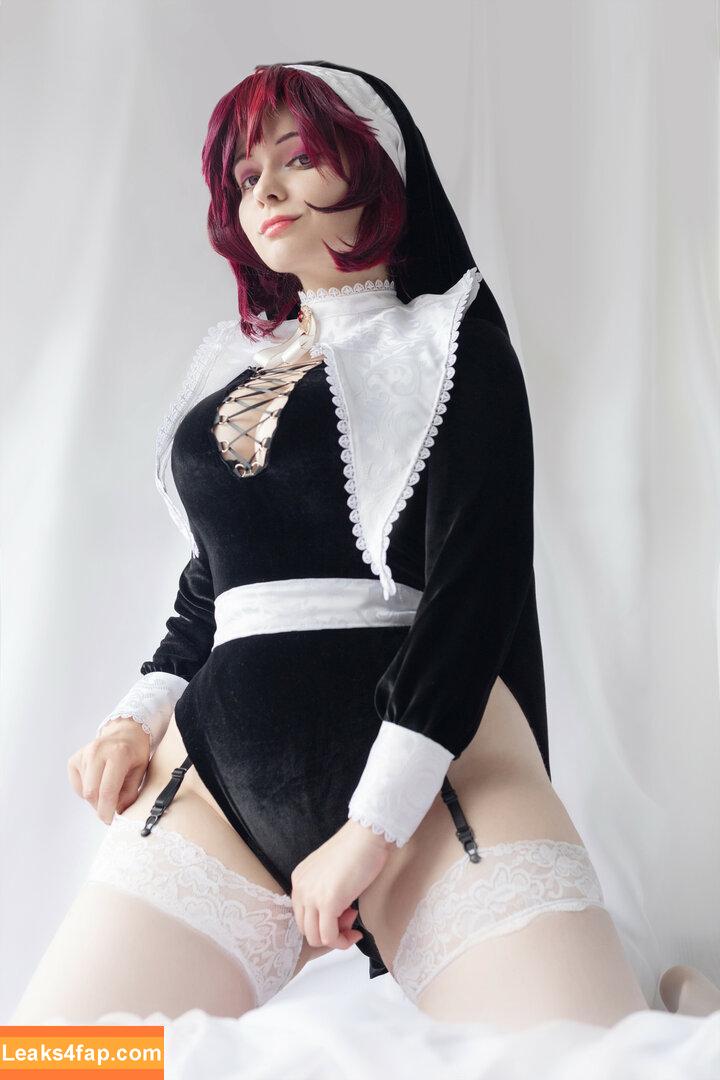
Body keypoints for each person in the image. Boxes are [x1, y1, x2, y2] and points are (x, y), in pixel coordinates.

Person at [11, 61, 714, 1030]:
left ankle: (673, 1005)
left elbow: (476, 593)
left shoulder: (453, 343)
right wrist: (135, 719)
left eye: (297, 158)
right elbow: (214, 586)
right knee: (55, 1060)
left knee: (587, 1064)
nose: (265, 189)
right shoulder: (233, 372)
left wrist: (372, 826)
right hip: (215, 795)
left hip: (442, 791)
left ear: (377, 166)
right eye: (247, 174)